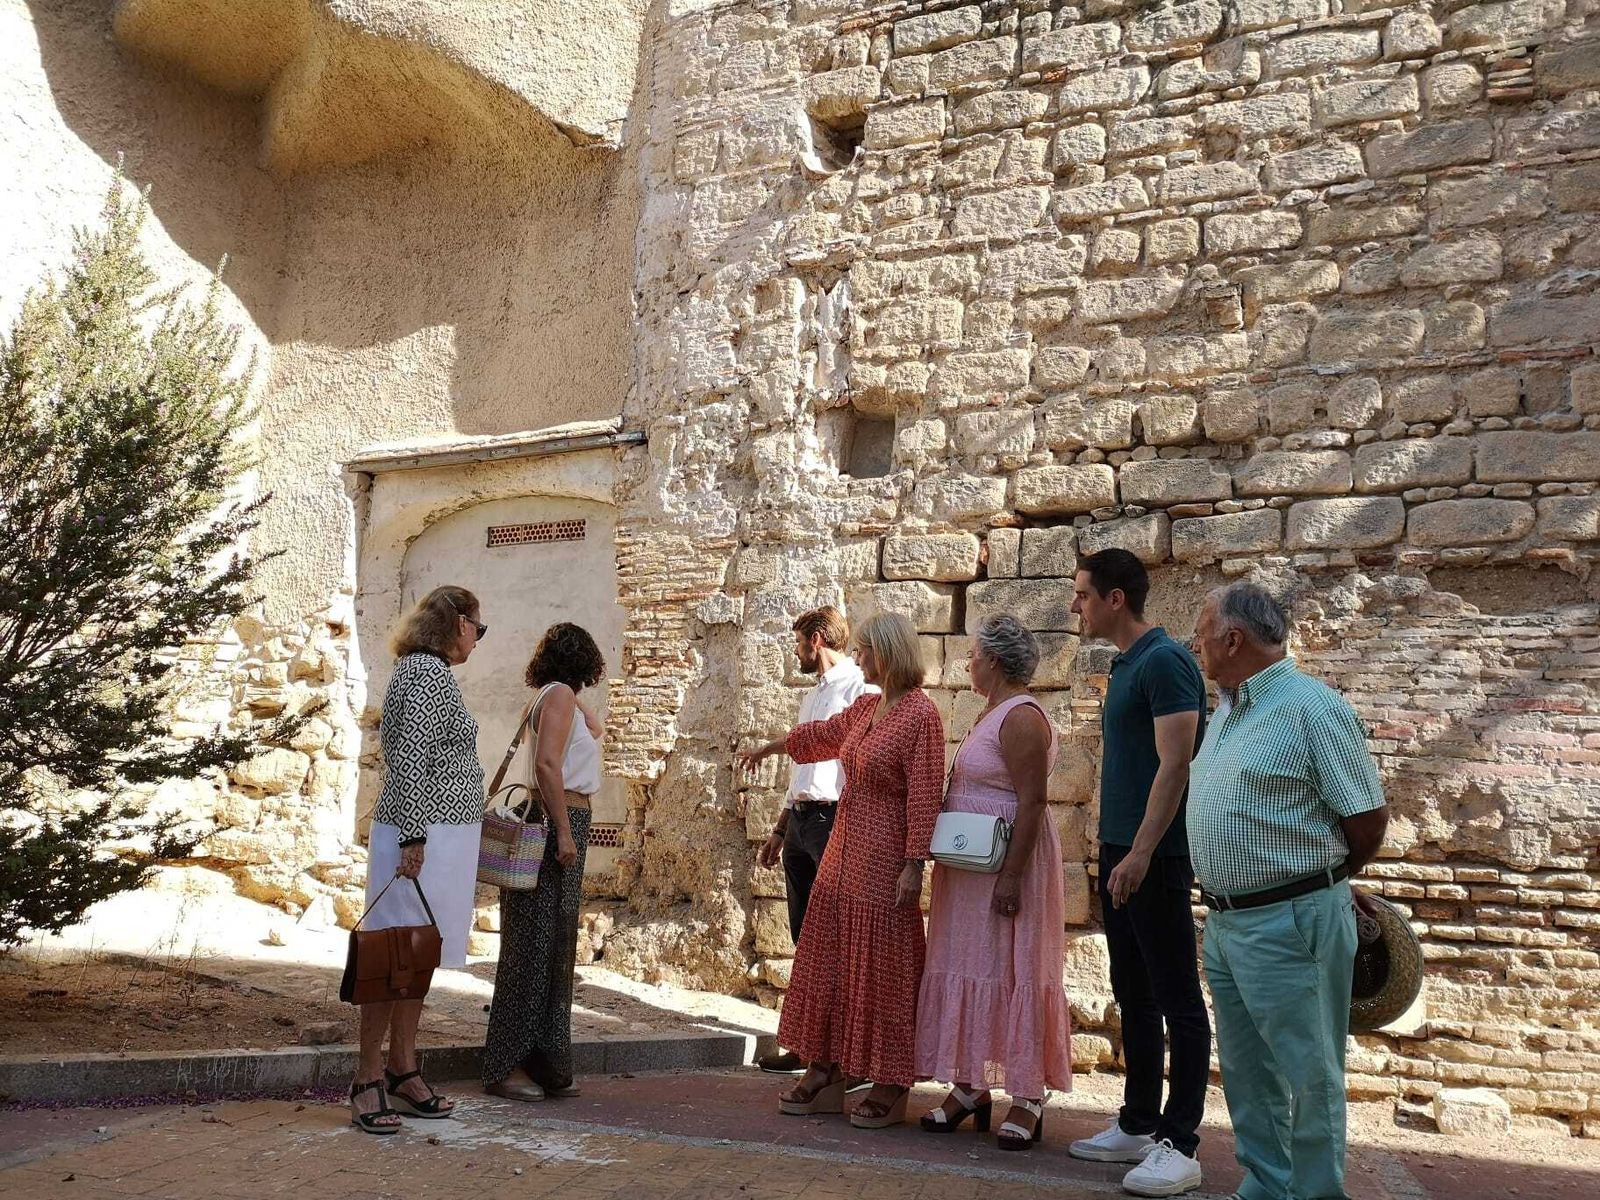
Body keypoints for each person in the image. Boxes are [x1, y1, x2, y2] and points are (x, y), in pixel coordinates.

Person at [1188, 583, 1388, 1200]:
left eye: (1201, 633)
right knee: (1248, 1070)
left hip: (1291, 919)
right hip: (1227, 923)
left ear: (1233, 638)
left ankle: (1316, 1193)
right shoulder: (1228, 707)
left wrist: (1325, 884)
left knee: (1309, 1072)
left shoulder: (1310, 708)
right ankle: (1269, 1184)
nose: (1195, 644)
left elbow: (1366, 818)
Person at [739, 611, 944, 1129]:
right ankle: (826, 1067)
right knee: (826, 959)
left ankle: (890, 1081)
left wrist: (914, 865)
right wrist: (772, 746)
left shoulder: (921, 715)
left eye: (867, 650)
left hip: (883, 860)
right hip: (842, 854)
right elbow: (822, 737)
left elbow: (924, 796)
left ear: (890, 653)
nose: (859, 657)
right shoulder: (868, 707)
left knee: (883, 968)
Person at [1066, 550, 1211, 1197]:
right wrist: (1117, 848)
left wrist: (1144, 852)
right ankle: (1139, 1122)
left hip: (1154, 856)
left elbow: (1176, 765)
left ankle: (1180, 1144)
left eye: (1084, 594)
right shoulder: (1125, 664)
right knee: (1135, 994)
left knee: (1178, 997)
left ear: (1116, 599)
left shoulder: (1166, 661)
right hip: (1121, 850)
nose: (1076, 606)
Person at [915, 614, 1071, 1151]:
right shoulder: (990, 712)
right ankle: (969, 1087)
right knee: (970, 963)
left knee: (1011, 967)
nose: (968, 662)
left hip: (1004, 865)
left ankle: (1028, 1097)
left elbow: (1032, 801)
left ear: (997, 662)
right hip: (971, 868)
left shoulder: (1022, 717)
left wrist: (1012, 877)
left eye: (975, 654)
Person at [351, 585, 487, 1134]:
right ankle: (366, 1080)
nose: (478, 639)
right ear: (457, 624)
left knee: (418, 956)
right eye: (479, 628)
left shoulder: (426, 674)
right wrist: (412, 837)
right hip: (422, 838)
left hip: (440, 839)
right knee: (391, 960)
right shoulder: (424, 677)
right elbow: (409, 760)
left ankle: (403, 1068)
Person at [738, 606, 872, 1074]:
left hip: (834, 819)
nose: (795, 651)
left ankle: (835, 1054)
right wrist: (780, 827)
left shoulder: (860, 687)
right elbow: (805, 764)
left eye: (798, 642)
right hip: (800, 821)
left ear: (816, 639)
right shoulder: (814, 693)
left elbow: (844, 760)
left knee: (833, 938)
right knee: (805, 938)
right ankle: (808, 1043)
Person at [482, 622, 608, 1102]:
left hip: (565, 816)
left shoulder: (557, 697)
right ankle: (506, 1065)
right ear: (585, 661)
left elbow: (593, 730)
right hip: (557, 819)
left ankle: (547, 1062)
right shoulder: (556, 697)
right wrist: (561, 830)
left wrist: (573, 697)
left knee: (553, 944)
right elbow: (546, 766)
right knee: (532, 946)